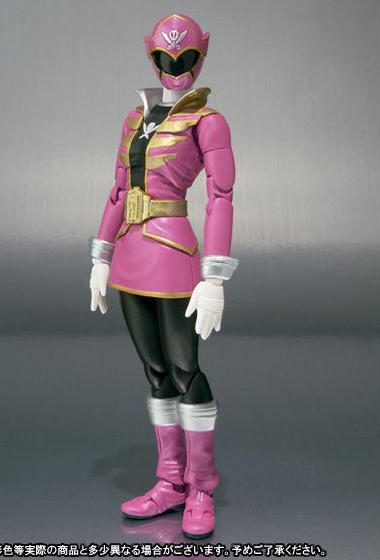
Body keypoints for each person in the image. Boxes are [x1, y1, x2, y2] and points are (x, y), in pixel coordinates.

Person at [88, 14, 238, 539]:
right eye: (165, 58)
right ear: (151, 57)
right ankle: (171, 480)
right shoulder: (136, 117)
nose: (175, 67)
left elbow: (221, 198)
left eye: (186, 58)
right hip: (130, 256)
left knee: (184, 370)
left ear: (201, 57)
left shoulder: (208, 121)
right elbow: (117, 190)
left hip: (174, 257)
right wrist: (101, 255)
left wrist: (214, 276)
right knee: (156, 372)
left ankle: (201, 486)